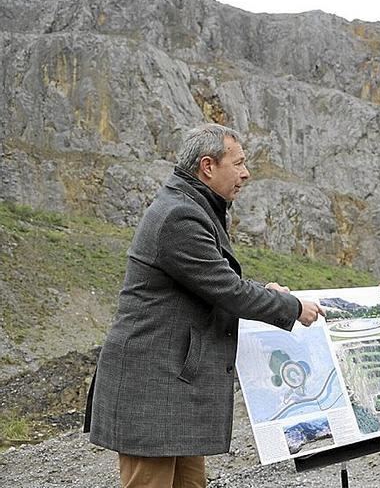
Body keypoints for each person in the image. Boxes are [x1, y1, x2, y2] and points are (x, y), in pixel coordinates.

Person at [85, 123, 324, 487]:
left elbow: (209, 279)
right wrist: (290, 307)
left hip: (173, 384)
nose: (246, 173)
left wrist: (268, 291)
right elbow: (226, 289)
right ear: (208, 166)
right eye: (239, 163)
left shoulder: (194, 205)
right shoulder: (179, 215)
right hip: (152, 387)